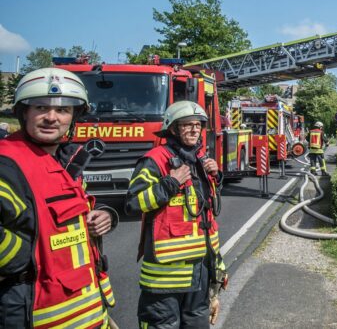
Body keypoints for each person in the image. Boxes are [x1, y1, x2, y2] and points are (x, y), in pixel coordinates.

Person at [0, 68, 118, 328]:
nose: (52, 118)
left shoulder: (61, 162)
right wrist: (24, 260)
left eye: (63, 110)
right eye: (41, 107)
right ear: (24, 112)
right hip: (32, 313)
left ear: (74, 117)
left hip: (85, 311)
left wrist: (104, 216)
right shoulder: (7, 164)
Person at [125, 101, 227, 328]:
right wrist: (170, 183)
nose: (194, 130)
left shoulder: (200, 159)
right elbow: (133, 203)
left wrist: (216, 177)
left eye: (198, 125)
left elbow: (205, 215)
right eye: (186, 125)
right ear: (172, 129)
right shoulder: (155, 160)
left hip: (199, 275)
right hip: (165, 281)